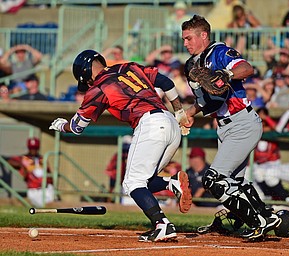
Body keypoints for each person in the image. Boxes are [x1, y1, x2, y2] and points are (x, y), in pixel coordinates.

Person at [49, 49, 192, 242]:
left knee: (132, 183)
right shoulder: (129, 67)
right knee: (144, 180)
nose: (88, 84)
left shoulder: (98, 87)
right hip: (169, 122)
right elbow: (166, 82)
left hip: (150, 125)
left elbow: (76, 127)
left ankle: (162, 224)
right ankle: (171, 183)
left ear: (86, 73)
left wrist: (60, 125)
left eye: (86, 80)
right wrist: (180, 111)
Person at [181, 15, 282, 240]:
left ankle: (260, 221)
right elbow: (209, 100)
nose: (185, 43)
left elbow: (246, 68)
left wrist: (226, 73)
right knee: (235, 182)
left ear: (203, 35)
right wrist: (188, 113)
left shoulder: (218, 52)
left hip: (242, 122)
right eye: (184, 39)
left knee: (213, 179)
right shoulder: (193, 64)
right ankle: (267, 215)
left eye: (189, 38)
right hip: (225, 126)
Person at [7, 137, 54, 207]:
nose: (33, 150)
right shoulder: (23, 158)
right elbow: (10, 161)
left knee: (51, 205)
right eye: (31, 148)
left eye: (35, 148)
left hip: (46, 188)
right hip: (33, 189)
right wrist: (21, 165)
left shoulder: (42, 158)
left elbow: (49, 173)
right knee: (44, 206)